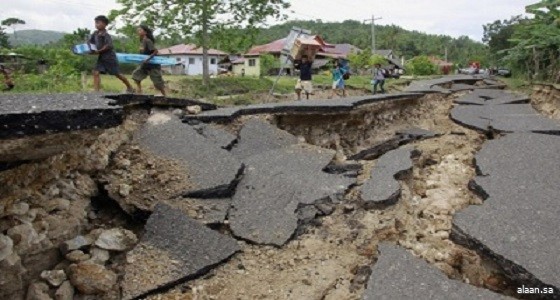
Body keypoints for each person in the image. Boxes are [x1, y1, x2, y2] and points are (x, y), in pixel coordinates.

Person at [89, 15, 134, 93]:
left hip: (110, 58)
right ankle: (96, 91)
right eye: (95, 23)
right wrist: (88, 50)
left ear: (104, 24)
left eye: (98, 23)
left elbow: (109, 46)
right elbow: (90, 43)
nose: (96, 24)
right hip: (102, 57)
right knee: (96, 72)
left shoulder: (106, 35)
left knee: (117, 74)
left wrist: (98, 51)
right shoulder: (95, 34)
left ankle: (130, 87)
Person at [131, 25, 166, 96]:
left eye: (140, 30)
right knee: (136, 76)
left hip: (153, 65)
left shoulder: (148, 41)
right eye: (138, 30)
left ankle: (165, 96)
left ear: (145, 32)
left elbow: (155, 51)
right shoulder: (142, 41)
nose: (138, 31)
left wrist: (148, 58)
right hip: (145, 65)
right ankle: (139, 91)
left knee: (157, 83)